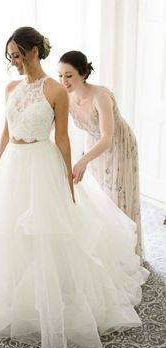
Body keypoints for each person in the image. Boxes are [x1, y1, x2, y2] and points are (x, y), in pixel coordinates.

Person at [0, 27, 149, 348]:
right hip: (14, 166)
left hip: (42, 163)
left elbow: (61, 138)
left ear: (34, 51)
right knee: (6, 232)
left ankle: (51, 297)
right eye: (10, 57)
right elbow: (5, 133)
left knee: (48, 234)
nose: (14, 62)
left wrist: (68, 180)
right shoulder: (11, 88)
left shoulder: (55, 91)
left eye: (17, 55)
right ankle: (14, 296)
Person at [58, 50, 143, 259]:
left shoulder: (100, 96)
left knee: (118, 196)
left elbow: (107, 137)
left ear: (83, 74)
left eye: (69, 75)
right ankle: (106, 252)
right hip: (93, 146)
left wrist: (83, 161)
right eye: (60, 75)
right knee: (99, 198)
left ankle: (126, 255)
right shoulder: (66, 98)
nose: (63, 80)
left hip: (118, 145)